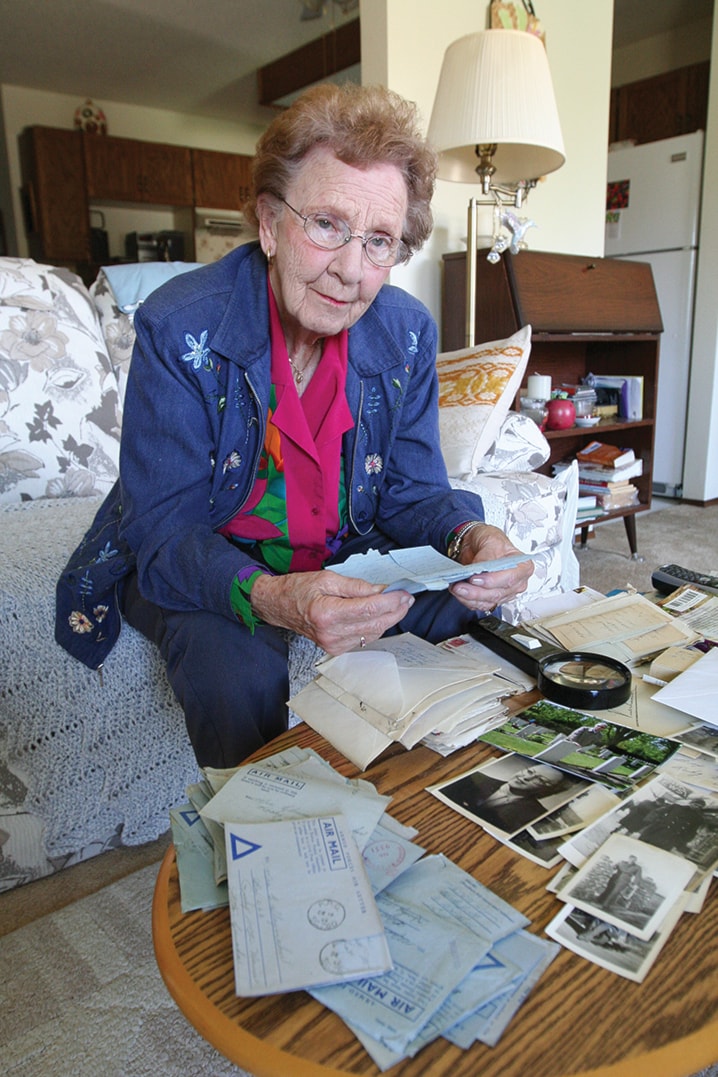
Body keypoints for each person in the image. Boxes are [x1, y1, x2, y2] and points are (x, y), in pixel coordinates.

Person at [55, 83, 533, 769]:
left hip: (340, 543)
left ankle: (429, 800)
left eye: (378, 242)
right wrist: (277, 597)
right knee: (233, 668)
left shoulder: (405, 334)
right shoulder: (180, 324)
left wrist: (470, 536)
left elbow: (412, 490)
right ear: (269, 224)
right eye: (327, 225)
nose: (349, 270)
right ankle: (270, 841)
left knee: (463, 611)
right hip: (212, 548)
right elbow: (162, 531)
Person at [440, 762, 576, 834]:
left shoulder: (535, 816)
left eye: (540, 780)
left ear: (548, 790)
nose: (526, 778)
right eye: (529, 771)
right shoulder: (474, 779)